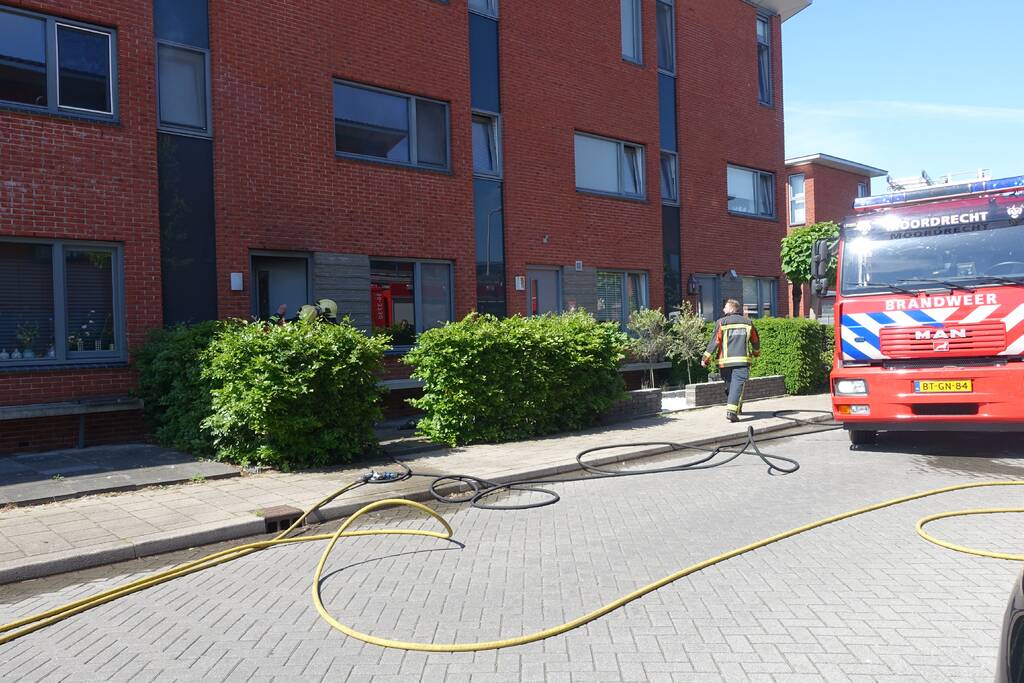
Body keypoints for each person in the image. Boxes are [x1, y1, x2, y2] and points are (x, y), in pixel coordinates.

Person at [701, 299, 760, 422]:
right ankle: (734, 409)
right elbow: (755, 340)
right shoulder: (748, 323)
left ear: (732, 309)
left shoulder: (721, 323)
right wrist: (756, 353)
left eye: (725, 308)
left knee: (731, 387)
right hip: (742, 362)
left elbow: (714, 342)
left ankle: (732, 411)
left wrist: (705, 359)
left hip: (725, 363)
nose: (723, 310)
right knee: (735, 387)